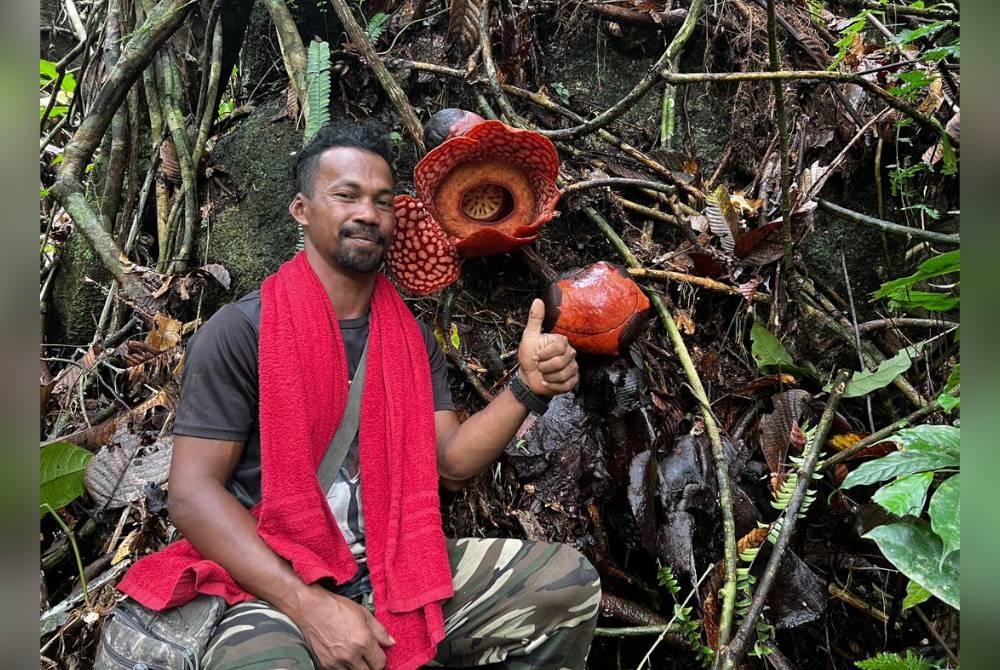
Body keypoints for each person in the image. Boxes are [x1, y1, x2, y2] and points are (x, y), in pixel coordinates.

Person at [116, 121, 601, 670]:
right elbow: (192, 494)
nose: (367, 213)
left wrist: (526, 389)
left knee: (565, 586)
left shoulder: (411, 338)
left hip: (394, 564)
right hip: (270, 581)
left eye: (382, 200)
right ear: (302, 210)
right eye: (345, 195)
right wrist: (307, 604)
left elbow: (450, 464)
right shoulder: (241, 331)